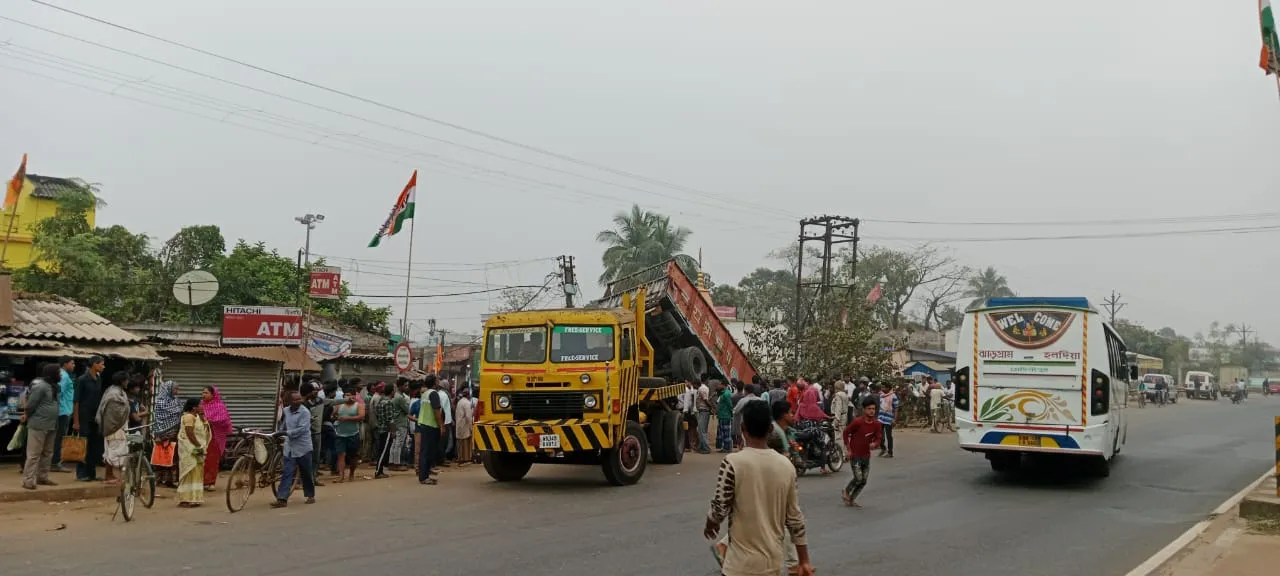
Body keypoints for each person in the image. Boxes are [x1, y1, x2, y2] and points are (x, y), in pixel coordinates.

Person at [705, 401, 813, 576]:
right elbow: (795, 518)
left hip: (738, 566)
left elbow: (719, 508)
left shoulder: (732, 463)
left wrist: (711, 523)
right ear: (771, 429)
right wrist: (804, 560)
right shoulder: (786, 467)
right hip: (771, 565)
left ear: (742, 428)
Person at [21, 363, 62, 490]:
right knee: (34, 454)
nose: (60, 375)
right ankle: (28, 480)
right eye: (58, 372)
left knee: (47, 452)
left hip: (51, 424)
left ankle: (42, 477)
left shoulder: (54, 386)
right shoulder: (41, 387)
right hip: (38, 424)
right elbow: (31, 404)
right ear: (52, 374)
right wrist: (26, 415)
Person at [273, 391, 316, 508]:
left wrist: (286, 433)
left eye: (299, 399)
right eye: (295, 400)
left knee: (306, 472)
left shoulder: (305, 412)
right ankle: (282, 498)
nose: (298, 401)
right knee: (287, 472)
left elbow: (302, 429)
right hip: (289, 447)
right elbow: (284, 425)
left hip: (303, 447)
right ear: (289, 401)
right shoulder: (286, 411)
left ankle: (310, 495)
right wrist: (279, 432)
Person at [842, 397, 883, 508]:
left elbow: (879, 438)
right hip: (855, 454)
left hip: (866, 455)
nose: (871, 411)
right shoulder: (857, 422)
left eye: (873, 409)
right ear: (864, 410)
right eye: (869, 408)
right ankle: (846, 491)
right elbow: (846, 433)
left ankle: (851, 499)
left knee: (864, 481)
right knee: (858, 478)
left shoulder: (877, 424)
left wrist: (875, 444)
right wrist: (848, 449)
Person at [72, 356, 105, 482]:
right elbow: (76, 401)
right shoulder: (82, 380)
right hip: (83, 416)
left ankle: (92, 473)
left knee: (94, 445)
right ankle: (81, 473)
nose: (103, 366)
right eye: (101, 364)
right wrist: (76, 421)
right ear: (94, 365)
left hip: (95, 417)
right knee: (83, 445)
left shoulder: (98, 379)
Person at [97, 372, 130, 485]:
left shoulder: (116, 391)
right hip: (114, 427)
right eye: (126, 380)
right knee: (114, 451)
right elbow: (115, 413)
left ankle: (110, 475)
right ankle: (110, 476)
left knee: (112, 451)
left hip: (117, 426)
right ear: (122, 381)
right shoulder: (114, 394)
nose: (128, 382)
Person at [177, 398, 208, 507]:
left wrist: (203, 417)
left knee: (197, 473)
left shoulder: (197, 417)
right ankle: (186, 499)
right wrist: (198, 445)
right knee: (189, 473)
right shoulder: (189, 417)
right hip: (190, 449)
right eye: (200, 405)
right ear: (194, 407)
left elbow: (205, 429)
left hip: (196, 449)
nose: (202, 406)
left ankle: (194, 498)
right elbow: (189, 433)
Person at [201, 386, 233, 491]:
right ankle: (201, 481)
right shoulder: (201, 405)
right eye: (203, 392)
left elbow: (224, 420)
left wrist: (211, 421)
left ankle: (210, 482)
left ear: (212, 394)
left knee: (212, 460)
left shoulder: (219, 406)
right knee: (202, 459)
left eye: (206, 393)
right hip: (202, 436)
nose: (203, 395)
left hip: (215, 436)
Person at [152, 381, 184, 488]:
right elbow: (157, 419)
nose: (177, 392)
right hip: (161, 435)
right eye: (175, 389)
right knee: (161, 457)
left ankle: (170, 480)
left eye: (178, 389)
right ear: (168, 389)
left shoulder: (177, 401)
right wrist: (157, 434)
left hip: (174, 433)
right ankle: (160, 480)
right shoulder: (160, 402)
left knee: (173, 457)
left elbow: (180, 414)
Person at [417, 375, 444, 485]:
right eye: (437, 380)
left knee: (425, 451)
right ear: (434, 383)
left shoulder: (425, 394)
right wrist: (441, 425)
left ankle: (425, 474)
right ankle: (424, 477)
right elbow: (436, 411)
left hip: (424, 424)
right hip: (431, 425)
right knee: (427, 452)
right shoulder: (433, 394)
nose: (439, 382)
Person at [50, 356, 75, 473]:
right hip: (63, 411)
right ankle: (55, 463)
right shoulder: (64, 376)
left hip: (62, 410)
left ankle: (54, 462)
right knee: (59, 438)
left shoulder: (61, 374)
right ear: (65, 364)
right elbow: (58, 391)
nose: (74, 366)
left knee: (57, 437)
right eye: (72, 363)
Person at [333, 389, 364, 483]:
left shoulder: (358, 405)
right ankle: (341, 476)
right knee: (340, 455)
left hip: (353, 434)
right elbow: (333, 415)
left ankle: (351, 474)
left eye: (350, 395)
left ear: (354, 396)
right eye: (346, 395)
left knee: (353, 456)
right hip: (340, 434)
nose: (348, 397)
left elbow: (361, 416)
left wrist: (347, 418)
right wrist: (335, 417)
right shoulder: (339, 405)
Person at [454, 388, 474, 466]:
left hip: (459, 424)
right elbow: (469, 416)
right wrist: (471, 427)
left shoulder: (460, 402)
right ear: (469, 395)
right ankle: (466, 459)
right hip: (465, 425)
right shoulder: (467, 403)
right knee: (466, 442)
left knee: (460, 442)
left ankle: (461, 457)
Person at [877, 384, 898, 458]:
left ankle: (890, 452)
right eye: (882, 387)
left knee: (889, 436)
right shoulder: (881, 396)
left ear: (888, 388)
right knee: (879, 435)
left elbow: (896, 409)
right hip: (881, 417)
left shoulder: (893, 396)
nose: (882, 388)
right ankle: (883, 448)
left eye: (884, 387)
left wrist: (894, 419)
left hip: (889, 419)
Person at [715, 380, 734, 453]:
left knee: (726, 433)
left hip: (725, 415)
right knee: (723, 433)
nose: (719, 386)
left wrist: (731, 413)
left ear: (723, 385)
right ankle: (725, 447)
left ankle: (728, 448)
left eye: (720, 384)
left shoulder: (726, 394)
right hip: (722, 415)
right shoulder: (724, 393)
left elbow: (730, 405)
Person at [695, 376, 713, 454]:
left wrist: (711, 407)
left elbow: (705, 399)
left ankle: (705, 448)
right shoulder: (705, 388)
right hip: (704, 411)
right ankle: (702, 447)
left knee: (701, 430)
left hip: (703, 410)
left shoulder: (701, 389)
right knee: (703, 430)